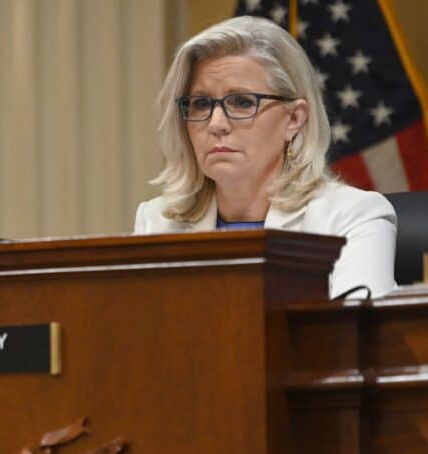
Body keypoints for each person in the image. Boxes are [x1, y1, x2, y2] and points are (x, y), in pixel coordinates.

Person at [134, 16, 396, 299]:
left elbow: (354, 327)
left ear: (294, 119)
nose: (216, 123)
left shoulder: (352, 218)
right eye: (200, 104)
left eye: (242, 102)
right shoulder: (157, 222)